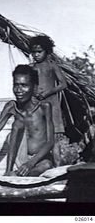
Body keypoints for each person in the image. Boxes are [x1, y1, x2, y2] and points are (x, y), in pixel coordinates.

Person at [0, 65, 54, 177]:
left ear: (34, 88)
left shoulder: (44, 107)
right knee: (17, 124)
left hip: (40, 158)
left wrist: (31, 163)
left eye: (24, 86)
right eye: (16, 85)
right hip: (22, 160)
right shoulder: (11, 107)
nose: (19, 90)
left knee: (45, 165)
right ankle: (8, 172)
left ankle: (22, 175)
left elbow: (50, 142)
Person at [29, 35, 67, 167]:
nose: (36, 55)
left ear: (47, 51)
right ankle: (42, 167)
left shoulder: (52, 66)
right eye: (34, 52)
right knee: (40, 135)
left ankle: (58, 168)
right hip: (38, 105)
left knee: (54, 139)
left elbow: (63, 84)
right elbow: (30, 85)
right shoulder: (31, 68)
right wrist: (34, 93)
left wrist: (48, 92)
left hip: (52, 104)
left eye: (39, 52)